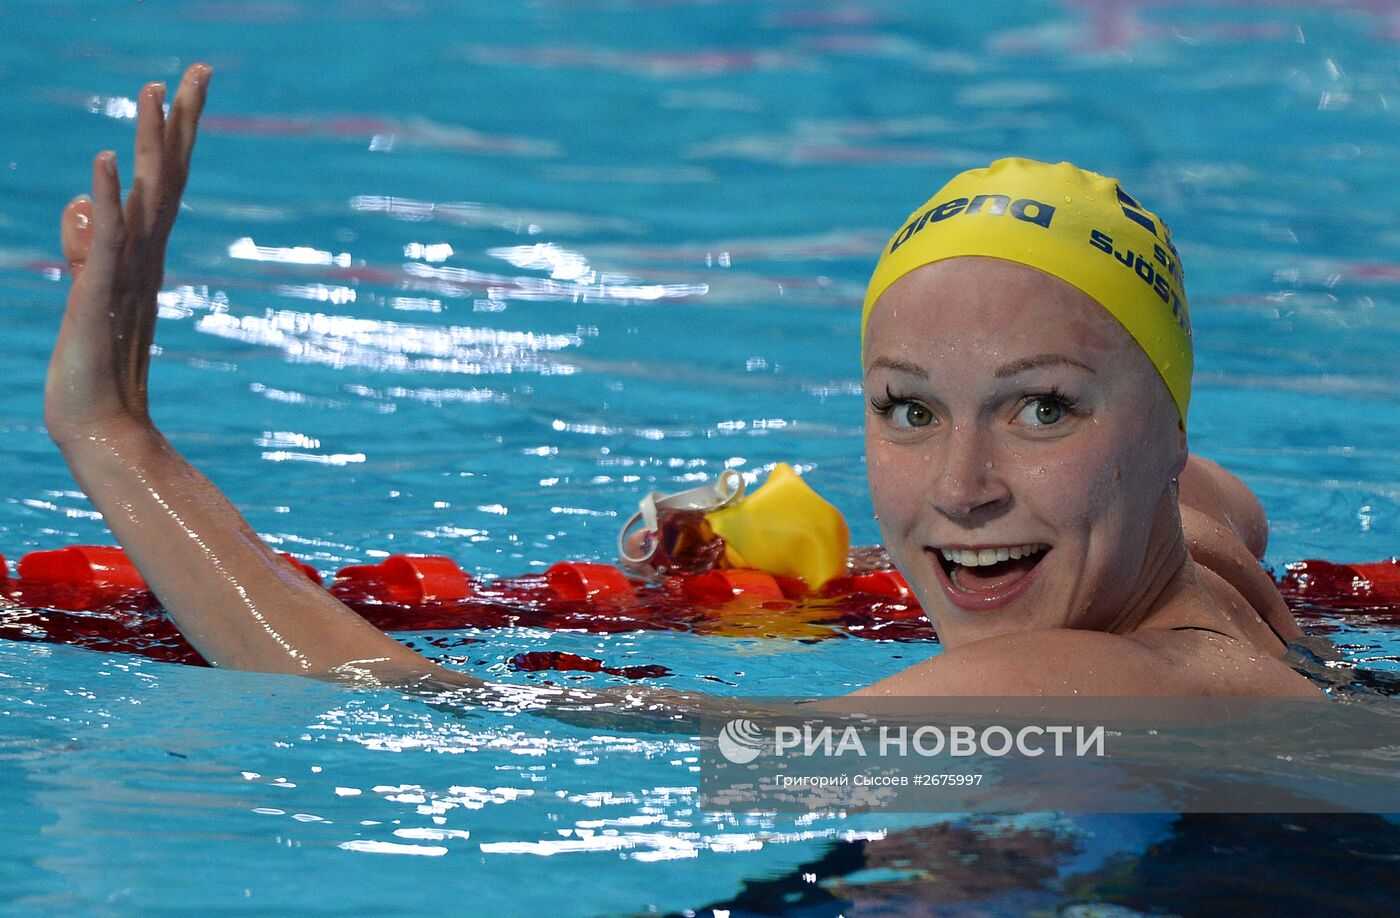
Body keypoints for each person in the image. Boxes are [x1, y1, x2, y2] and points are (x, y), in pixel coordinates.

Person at [46, 66, 1319, 697]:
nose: (963, 491)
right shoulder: (1192, 548)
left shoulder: (1068, 682)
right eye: (909, 410)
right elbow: (1215, 502)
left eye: (1041, 407)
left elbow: (429, 711)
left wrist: (113, 436)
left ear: (1165, 429)